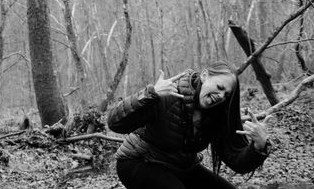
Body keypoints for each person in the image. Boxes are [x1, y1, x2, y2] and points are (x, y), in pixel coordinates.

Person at [107, 61, 272, 189]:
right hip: (139, 161)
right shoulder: (168, 95)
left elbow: (235, 160)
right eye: (219, 87)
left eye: (226, 94)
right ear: (205, 75)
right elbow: (115, 123)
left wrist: (259, 146)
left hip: (181, 166)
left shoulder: (216, 114)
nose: (221, 96)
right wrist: (150, 94)